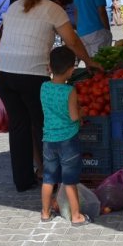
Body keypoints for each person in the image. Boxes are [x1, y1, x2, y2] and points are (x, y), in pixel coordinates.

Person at [0, 0, 103, 192]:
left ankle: (23, 181)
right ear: (60, 1)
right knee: (45, 126)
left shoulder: (17, 5)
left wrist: (0, 64)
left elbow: (0, 37)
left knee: (19, 126)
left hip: (3, 73)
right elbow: (72, 41)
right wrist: (88, 61)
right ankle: (51, 177)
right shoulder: (54, 9)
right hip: (31, 74)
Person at [40, 45, 90, 226]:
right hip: (68, 140)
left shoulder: (44, 87)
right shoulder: (70, 91)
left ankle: (45, 213)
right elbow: (74, 116)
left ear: (50, 67)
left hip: (48, 140)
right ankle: (76, 216)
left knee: (48, 178)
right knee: (69, 180)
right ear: (71, 70)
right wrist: (81, 112)